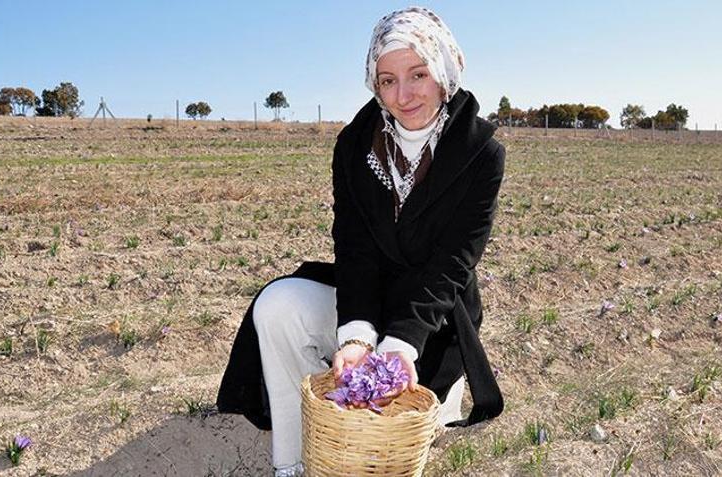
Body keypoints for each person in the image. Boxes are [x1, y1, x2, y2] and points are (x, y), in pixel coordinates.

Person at [216, 7, 505, 476]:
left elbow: (453, 264)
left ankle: (431, 396)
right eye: (387, 80)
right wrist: (355, 335)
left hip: (430, 323)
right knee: (277, 304)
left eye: (417, 74)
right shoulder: (355, 145)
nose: (403, 94)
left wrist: (398, 347)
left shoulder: (481, 154)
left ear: (444, 71)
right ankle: (292, 463)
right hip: (366, 302)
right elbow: (354, 247)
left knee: (395, 449)